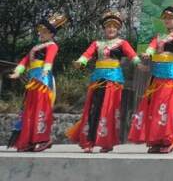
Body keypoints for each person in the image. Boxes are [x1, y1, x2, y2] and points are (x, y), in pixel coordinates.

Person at [67, 11, 143, 153]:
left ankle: (107, 142)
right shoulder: (97, 44)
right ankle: (89, 141)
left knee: (109, 110)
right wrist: (80, 62)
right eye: (108, 26)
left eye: (114, 26)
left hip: (113, 80)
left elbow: (132, 55)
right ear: (104, 28)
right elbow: (86, 55)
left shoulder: (122, 43)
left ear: (118, 29)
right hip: (97, 79)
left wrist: (139, 64)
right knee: (93, 109)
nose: (111, 29)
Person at [129, 3, 173, 153]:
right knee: (155, 108)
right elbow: (151, 47)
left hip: (170, 77)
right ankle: (155, 140)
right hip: (156, 78)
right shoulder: (159, 36)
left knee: (167, 108)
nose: (167, 21)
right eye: (165, 18)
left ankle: (168, 141)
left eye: (171, 18)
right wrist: (147, 53)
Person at [7, 13, 68, 152]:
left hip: (43, 82)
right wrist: (18, 71)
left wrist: (46, 69)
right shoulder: (35, 47)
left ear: (51, 34)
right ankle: (29, 141)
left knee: (41, 109)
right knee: (29, 110)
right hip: (32, 82)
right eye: (40, 31)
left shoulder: (52, 46)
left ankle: (43, 139)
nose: (41, 34)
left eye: (45, 31)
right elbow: (25, 60)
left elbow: (49, 59)